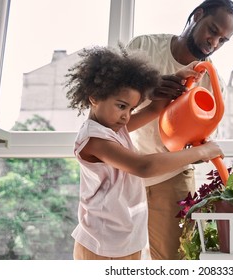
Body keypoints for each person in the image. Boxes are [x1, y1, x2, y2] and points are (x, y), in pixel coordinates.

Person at [65, 46, 224, 260]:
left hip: (125, 241)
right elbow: (143, 166)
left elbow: (153, 110)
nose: (126, 117)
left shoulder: (112, 128)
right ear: (94, 97)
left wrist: (178, 77)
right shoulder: (95, 139)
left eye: (131, 109)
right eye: (121, 106)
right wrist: (201, 152)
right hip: (101, 245)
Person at [125, 0, 233, 260]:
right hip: (124, 172)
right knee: (121, 260)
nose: (214, 43)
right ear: (197, 15)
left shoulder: (210, 80)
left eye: (223, 40)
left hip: (172, 178)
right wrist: (148, 90)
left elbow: (203, 138)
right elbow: (108, 102)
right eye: (212, 30)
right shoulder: (142, 48)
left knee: (172, 262)